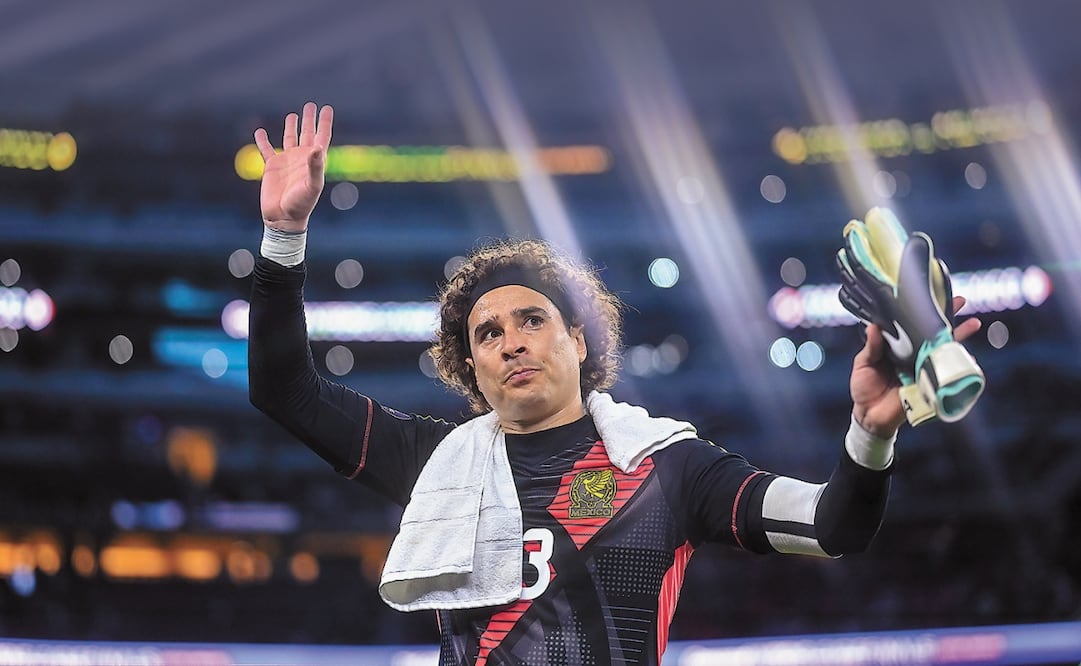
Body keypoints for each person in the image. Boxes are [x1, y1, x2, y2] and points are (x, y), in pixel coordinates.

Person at [247, 103, 981, 666]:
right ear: (470, 368)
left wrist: (871, 429)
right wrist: (283, 237)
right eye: (487, 335)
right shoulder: (435, 461)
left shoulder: (667, 464)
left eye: (531, 320)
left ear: (575, 337)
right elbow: (287, 391)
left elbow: (832, 526)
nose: (511, 343)